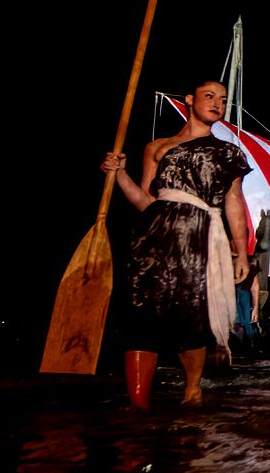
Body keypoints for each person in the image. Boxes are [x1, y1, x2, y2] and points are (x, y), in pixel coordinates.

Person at [101, 80, 251, 409]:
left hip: (199, 238)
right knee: (141, 316)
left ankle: (191, 390)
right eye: (209, 96)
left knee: (191, 316)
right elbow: (146, 201)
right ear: (189, 100)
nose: (217, 103)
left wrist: (241, 250)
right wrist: (120, 175)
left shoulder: (228, 151)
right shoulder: (158, 147)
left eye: (222, 100)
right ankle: (138, 408)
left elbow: (234, 202)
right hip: (152, 239)